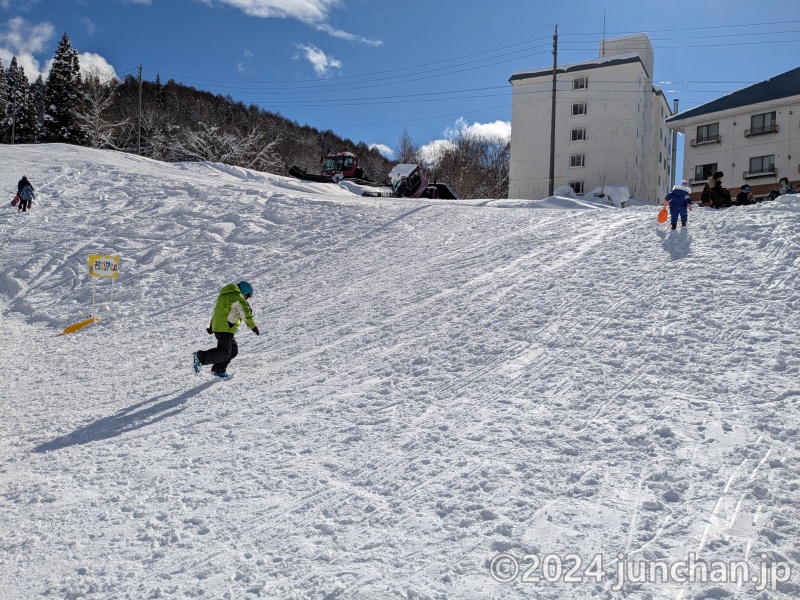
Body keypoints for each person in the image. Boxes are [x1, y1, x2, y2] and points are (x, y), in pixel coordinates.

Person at [193, 281, 259, 378]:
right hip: (225, 329)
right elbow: (245, 313)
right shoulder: (237, 297)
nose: (247, 299)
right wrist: (253, 327)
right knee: (224, 353)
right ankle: (200, 357)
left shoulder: (224, 295)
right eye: (248, 296)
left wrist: (211, 326)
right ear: (245, 292)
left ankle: (219, 369)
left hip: (221, 327)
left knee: (233, 350)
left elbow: (217, 312)